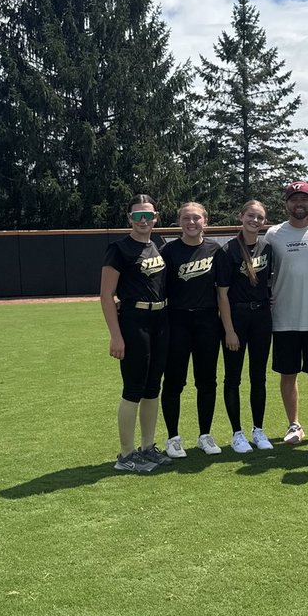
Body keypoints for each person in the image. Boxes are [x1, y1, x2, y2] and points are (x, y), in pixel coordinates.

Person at [100, 194, 170, 473]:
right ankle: (126, 455)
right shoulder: (119, 249)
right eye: (138, 216)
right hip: (134, 321)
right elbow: (106, 296)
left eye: (148, 215)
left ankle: (147, 447)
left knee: (153, 387)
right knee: (133, 389)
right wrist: (116, 336)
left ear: (156, 218)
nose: (143, 220)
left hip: (160, 320)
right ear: (129, 219)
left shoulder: (159, 244)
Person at [263, 180, 308, 446]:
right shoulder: (273, 234)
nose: (299, 204)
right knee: (287, 374)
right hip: (284, 317)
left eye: (304, 199)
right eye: (294, 199)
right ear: (286, 204)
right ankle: (294, 425)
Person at [160, 202, 223, 457]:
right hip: (176, 321)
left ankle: (205, 435)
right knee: (174, 382)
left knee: (207, 381)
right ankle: (173, 438)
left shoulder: (215, 250)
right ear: (179, 222)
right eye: (186, 218)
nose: (192, 222)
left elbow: (225, 289)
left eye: (197, 218)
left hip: (208, 321)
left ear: (205, 221)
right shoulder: (169, 251)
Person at [216, 200, 275, 453]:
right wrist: (229, 330)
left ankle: (258, 430)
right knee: (233, 378)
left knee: (259, 377)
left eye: (260, 217)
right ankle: (237, 433)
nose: (255, 220)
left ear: (264, 221)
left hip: (261, 317)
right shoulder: (227, 250)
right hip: (236, 318)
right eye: (250, 215)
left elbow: (268, 284)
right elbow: (222, 294)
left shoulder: (267, 248)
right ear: (241, 216)